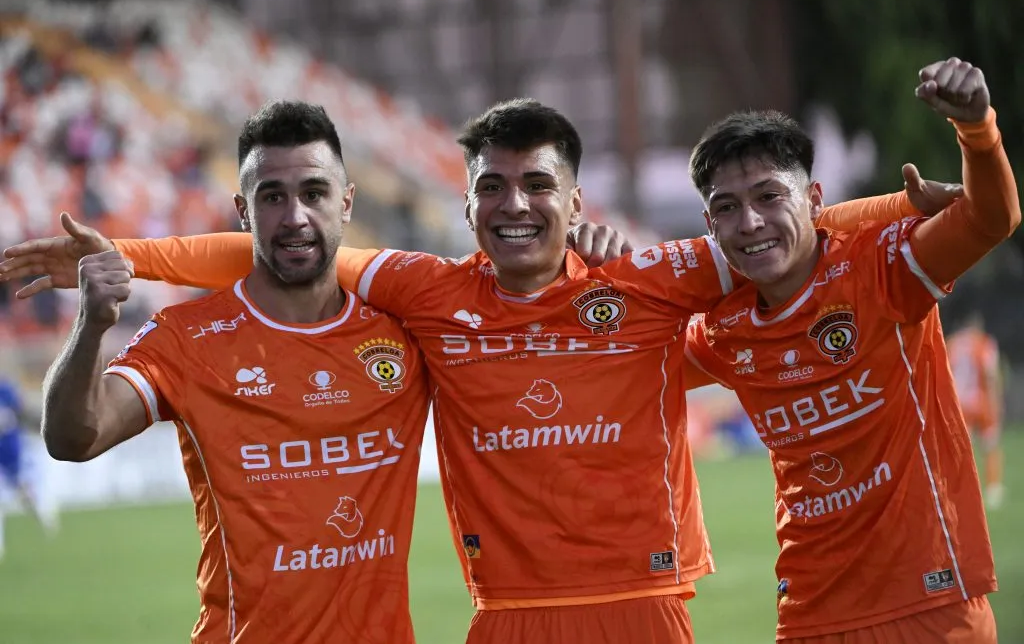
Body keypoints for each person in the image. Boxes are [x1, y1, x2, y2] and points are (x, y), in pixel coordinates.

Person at [0, 100, 959, 644]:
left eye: (538, 184)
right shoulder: (423, 293)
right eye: (491, 186)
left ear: (573, 198)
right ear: (463, 206)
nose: (515, 204)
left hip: (647, 612)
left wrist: (909, 214)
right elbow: (277, 250)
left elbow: (777, 231)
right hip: (508, 619)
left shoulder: (643, 279)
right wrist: (125, 254)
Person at [32, 101, 434, 644]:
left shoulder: (406, 335)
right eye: (273, 197)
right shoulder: (186, 336)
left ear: (347, 203)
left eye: (314, 193)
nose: (295, 216)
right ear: (243, 211)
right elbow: (73, 437)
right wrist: (90, 327)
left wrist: (585, 262)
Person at [683, 57, 1016, 642]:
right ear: (710, 224)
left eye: (768, 196)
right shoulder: (722, 330)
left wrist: (977, 130)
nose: (751, 221)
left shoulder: (883, 268)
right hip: (811, 612)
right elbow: (619, 356)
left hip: (930, 605)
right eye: (727, 208)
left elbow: (991, 218)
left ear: (813, 198)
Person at [947, 313, 1005, 509]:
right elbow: (990, 374)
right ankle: (993, 489)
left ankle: (963, 489)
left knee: (963, 450)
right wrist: (997, 399)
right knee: (990, 444)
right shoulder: (984, 343)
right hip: (982, 401)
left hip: (960, 403)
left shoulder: (953, 343)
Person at [0, 372, 58, 561]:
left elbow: (21, 410)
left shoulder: (6, 390)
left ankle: (43, 513)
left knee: (24, 491)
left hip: (10, 449)